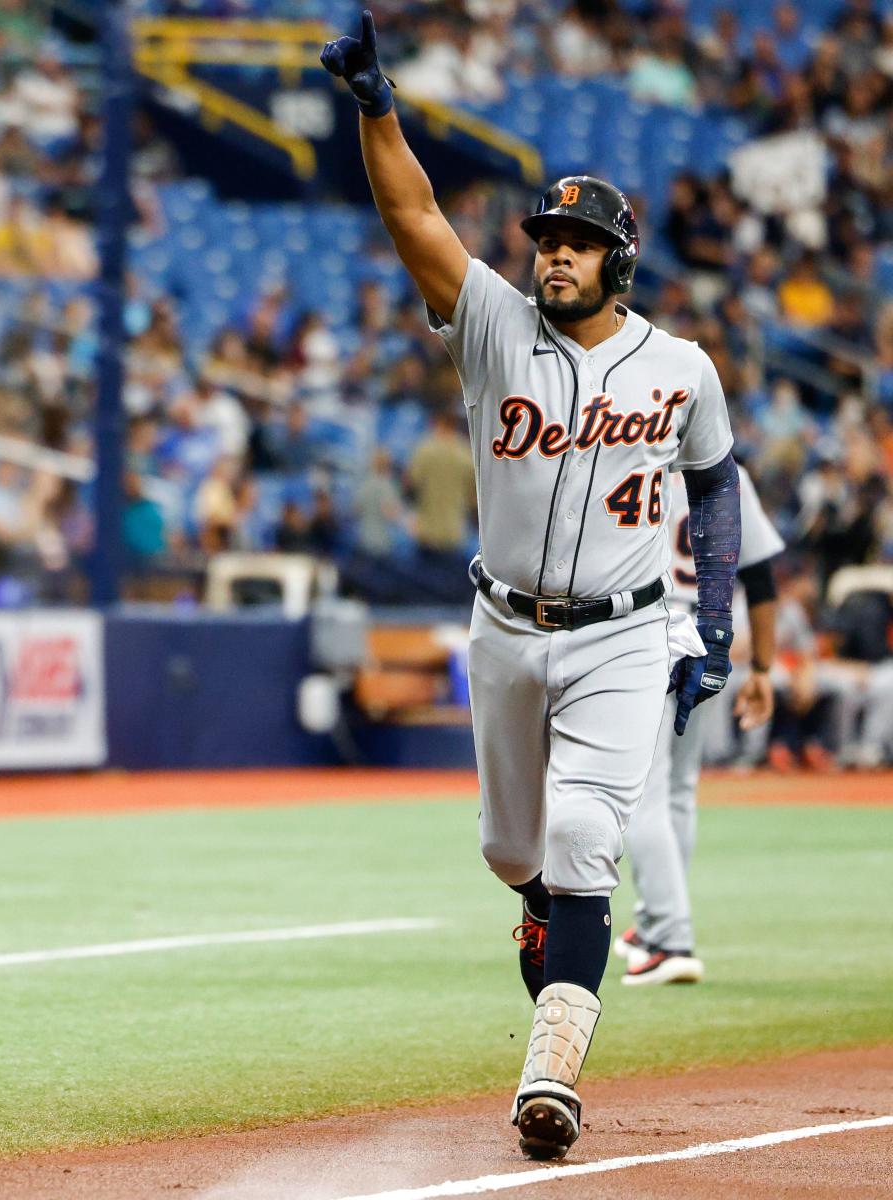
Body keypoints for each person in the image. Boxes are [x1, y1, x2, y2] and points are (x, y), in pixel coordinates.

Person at [322, 12, 740, 1162]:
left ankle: (547, 1077)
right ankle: (549, 923)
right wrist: (378, 112)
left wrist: (710, 628)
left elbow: (714, 486)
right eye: (545, 237)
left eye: (575, 241)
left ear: (619, 259)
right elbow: (413, 214)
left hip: (624, 637)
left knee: (580, 830)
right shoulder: (495, 329)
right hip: (503, 629)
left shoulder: (680, 369)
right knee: (516, 854)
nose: (552, 252)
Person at [616, 467, 784, 984]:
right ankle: (655, 923)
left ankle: (670, 938)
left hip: (645, 635)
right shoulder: (729, 473)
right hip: (708, 637)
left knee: (644, 793)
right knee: (678, 793)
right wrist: (762, 669)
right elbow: (760, 579)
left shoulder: (629, 454)